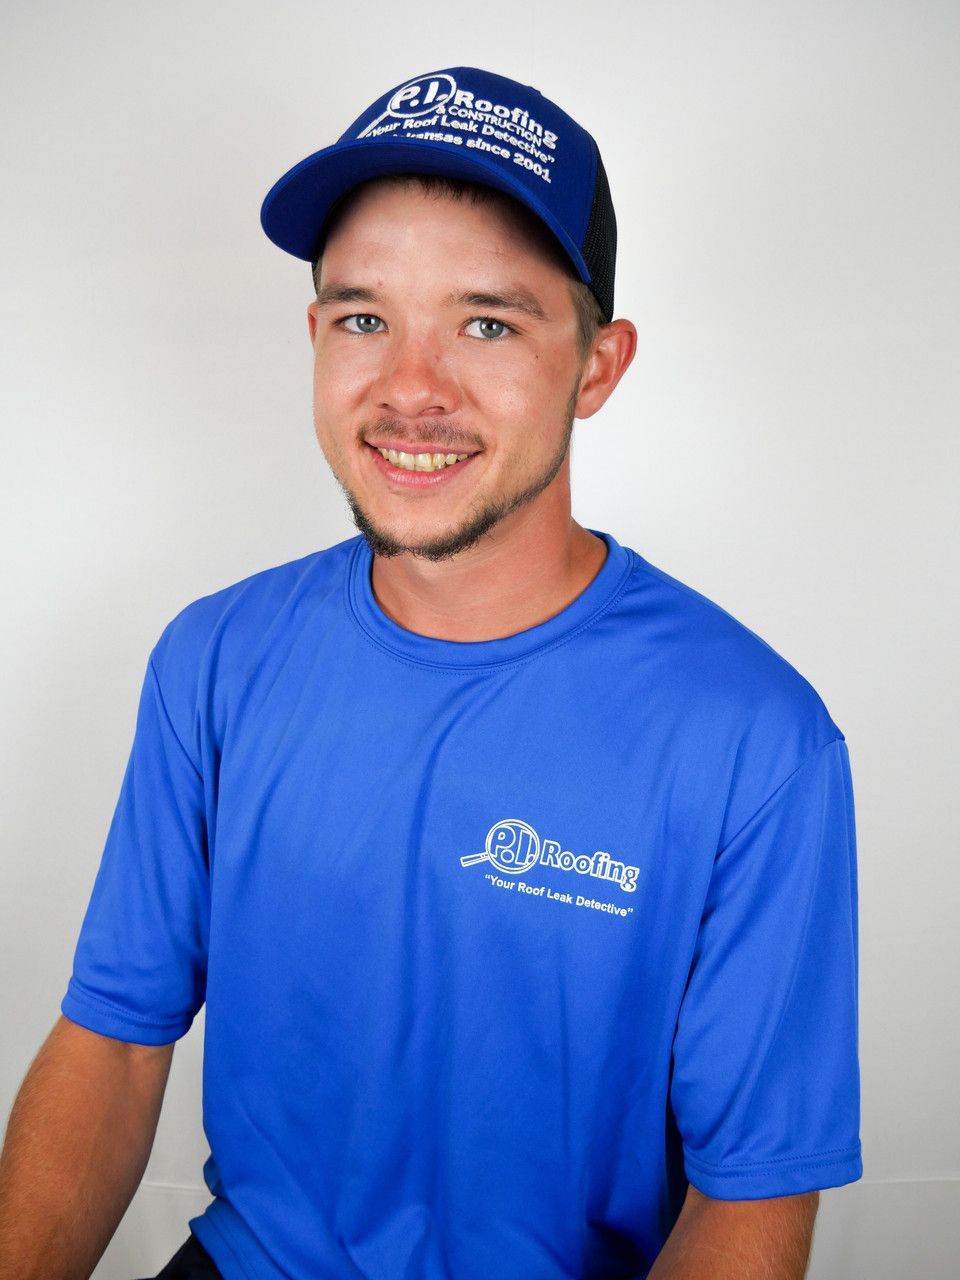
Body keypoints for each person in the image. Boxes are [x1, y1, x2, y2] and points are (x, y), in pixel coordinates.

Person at [0, 65, 861, 1280]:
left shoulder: (753, 741)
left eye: (488, 322)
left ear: (597, 367)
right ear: (315, 336)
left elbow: (751, 1201)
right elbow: (115, 1042)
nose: (411, 387)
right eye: (364, 317)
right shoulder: (215, 659)